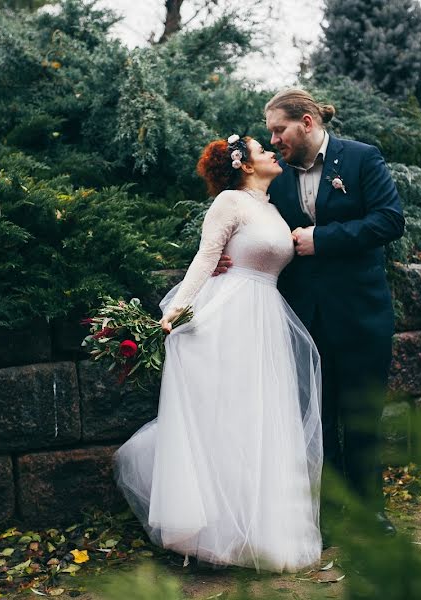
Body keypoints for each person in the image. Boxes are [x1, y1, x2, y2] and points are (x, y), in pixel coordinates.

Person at [113, 135, 323, 573]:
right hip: (228, 316)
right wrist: (173, 313)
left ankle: (260, 532)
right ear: (243, 164)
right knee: (226, 420)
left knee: (259, 421)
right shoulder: (229, 201)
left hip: (265, 319)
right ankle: (213, 537)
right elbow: (205, 259)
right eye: (260, 149)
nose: (270, 151)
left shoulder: (271, 208)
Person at [217, 89, 405, 536]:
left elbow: (389, 219)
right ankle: (329, 516)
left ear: (306, 122)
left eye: (278, 130)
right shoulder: (273, 177)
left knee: (361, 416)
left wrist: (324, 238)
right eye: (270, 134)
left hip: (362, 314)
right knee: (315, 418)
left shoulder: (360, 159)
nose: (273, 140)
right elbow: (246, 221)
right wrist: (226, 257)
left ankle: (371, 513)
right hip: (303, 318)